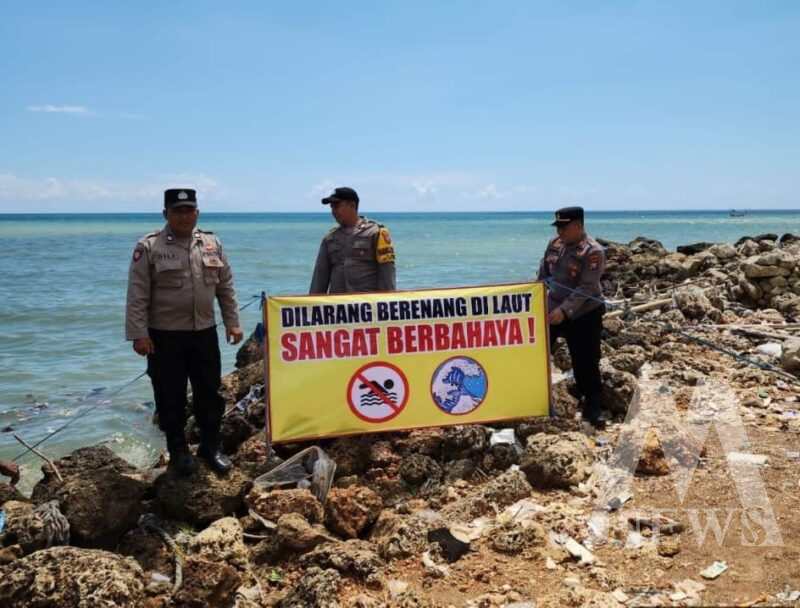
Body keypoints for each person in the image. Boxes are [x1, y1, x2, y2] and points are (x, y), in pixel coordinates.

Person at [126, 188, 244, 476]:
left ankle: (209, 447)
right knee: (170, 395)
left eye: (189, 210)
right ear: (166, 213)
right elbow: (137, 293)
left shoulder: (211, 243)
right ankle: (178, 451)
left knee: (210, 393)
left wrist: (233, 322)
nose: (184, 216)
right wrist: (138, 333)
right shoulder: (149, 246)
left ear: (197, 213)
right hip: (164, 336)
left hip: (204, 333)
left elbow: (225, 286)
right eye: (178, 211)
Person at [537, 206, 607, 429]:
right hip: (552, 308)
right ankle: (533, 398)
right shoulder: (555, 244)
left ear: (577, 226)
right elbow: (543, 273)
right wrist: (535, 297)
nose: (560, 232)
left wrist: (564, 311)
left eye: (564, 228)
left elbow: (586, 288)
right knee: (537, 351)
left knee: (585, 360)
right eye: (558, 227)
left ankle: (593, 406)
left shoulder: (593, 251)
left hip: (584, 312)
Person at [310, 187, 396, 294]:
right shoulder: (329, 239)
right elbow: (319, 278)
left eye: (337, 206)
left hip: (367, 306)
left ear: (352, 205)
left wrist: (387, 303)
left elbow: (386, 274)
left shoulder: (376, 233)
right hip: (339, 307)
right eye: (331, 207)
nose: (333, 212)